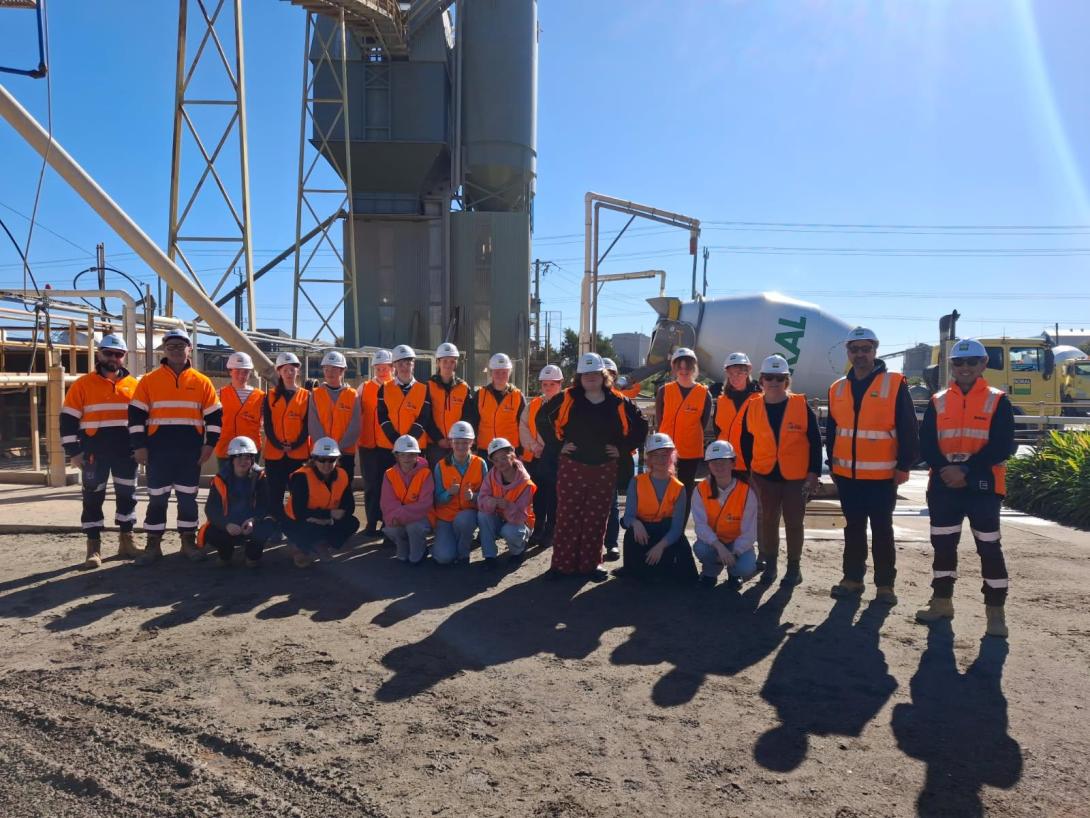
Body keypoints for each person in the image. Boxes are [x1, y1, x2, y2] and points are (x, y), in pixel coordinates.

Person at [915, 339, 1015, 638]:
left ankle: (995, 614)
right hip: (944, 484)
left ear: (983, 364)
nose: (966, 367)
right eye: (960, 362)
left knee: (989, 547)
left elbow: (1003, 445)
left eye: (972, 362)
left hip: (983, 484)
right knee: (943, 546)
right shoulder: (938, 400)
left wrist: (966, 469)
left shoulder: (998, 400)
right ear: (952, 366)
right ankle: (942, 602)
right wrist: (948, 470)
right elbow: (927, 444)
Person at [827, 327, 919, 604]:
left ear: (875, 350)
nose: (860, 354)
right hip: (848, 476)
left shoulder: (893, 383)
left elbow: (908, 427)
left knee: (882, 531)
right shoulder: (838, 387)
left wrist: (904, 465)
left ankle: (885, 586)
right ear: (848, 352)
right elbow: (833, 430)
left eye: (865, 349)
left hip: (882, 475)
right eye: (854, 349)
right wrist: (832, 464)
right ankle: (852, 579)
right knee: (852, 529)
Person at [541, 352, 647, 581]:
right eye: (585, 373)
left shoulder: (618, 400)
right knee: (568, 516)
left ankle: (591, 565)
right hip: (572, 467)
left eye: (595, 373)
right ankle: (561, 565)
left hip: (604, 468)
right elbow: (542, 418)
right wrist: (559, 444)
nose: (590, 377)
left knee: (596, 518)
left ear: (603, 375)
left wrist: (623, 447)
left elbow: (641, 425)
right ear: (579, 376)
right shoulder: (567, 397)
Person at [129, 328, 221, 564]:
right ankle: (153, 545)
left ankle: (188, 542)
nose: (176, 351)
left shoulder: (202, 382)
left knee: (188, 499)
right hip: (158, 453)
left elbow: (214, 417)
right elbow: (136, 416)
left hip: (190, 453)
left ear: (189, 348)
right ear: (164, 350)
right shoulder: (149, 380)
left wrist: (209, 445)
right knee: (157, 499)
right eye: (171, 347)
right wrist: (139, 446)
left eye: (181, 346)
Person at [61, 332, 142, 568]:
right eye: (108, 353)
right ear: (99, 354)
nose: (113, 358)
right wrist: (74, 452)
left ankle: (126, 541)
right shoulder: (83, 385)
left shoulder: (134, 385)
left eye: (118, 354)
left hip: (125, 453)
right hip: (93, 455)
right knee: (92, 498)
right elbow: (67, 420)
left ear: (124, 357)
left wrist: (140, 447)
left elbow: (141, 421)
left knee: (128, 497)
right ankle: (93, 548)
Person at [740, 355, 822, 586]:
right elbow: (746, 440)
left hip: (795, 477)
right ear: (761, 380)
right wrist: (751, 471)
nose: (774, 382)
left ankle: (794, 568)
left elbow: (815, 441)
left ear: (786, 381)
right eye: (769, 378)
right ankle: (772, 566)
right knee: (768, 521)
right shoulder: (753, 405)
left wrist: (814, 473)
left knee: (794, 522)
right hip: (765, 475)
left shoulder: (799, 404)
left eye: (779, 378)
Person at [619, 433, 693, 583]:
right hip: (643, 533)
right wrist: (636, 523)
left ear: (672, 457)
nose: (661, 459)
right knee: (632, 535)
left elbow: (677, 528)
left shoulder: (679, 488)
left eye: (665, 455)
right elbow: (627, 518)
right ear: (649, 459)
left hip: (665, 535)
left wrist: (660, 547)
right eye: (656, 455)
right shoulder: (636, 482)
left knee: (680, 576)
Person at [198, 436, 277, 567]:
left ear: (252, 459)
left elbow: (266, 505)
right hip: (229, 526)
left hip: (250, 525)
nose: (243, 461)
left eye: (247, 457)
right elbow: (211, 509)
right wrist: (226, 524)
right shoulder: (220, 479)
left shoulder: (260, 478)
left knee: (268, 526)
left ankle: (253, 556)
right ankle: (225, 555)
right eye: (239, 456)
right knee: (211, 532)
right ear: (232, 459)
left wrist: (254, 519)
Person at [692, 440, 760, 589]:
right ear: (708, 465)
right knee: (700, 548)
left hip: (737, 543)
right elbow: (700, 525)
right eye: (714, 461)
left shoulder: (746, 491)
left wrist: (735, 553)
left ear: (733, 463)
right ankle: (710, 573)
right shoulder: (701, 489)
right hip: (713, 543)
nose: (719, 465)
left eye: (723, 461)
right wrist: (718, 547)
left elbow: (750, 531)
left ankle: (734, 573)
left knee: (747, 566)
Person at [283, 437, 359, 568]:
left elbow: (349, 506)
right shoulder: (301, 477)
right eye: (321, 459)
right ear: (313, 459)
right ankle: (299, 547)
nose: (326, 464)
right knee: (305, 528)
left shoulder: (342, 475)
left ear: (337, 459)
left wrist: (326, 519)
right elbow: (299, 512)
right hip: (299, 521)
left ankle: (319, 545)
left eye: (331, 459)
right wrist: (328, 514)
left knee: (352, 523)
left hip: (321, 519)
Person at [655, 347, 711, 509]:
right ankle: (665, 527)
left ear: (694, 368)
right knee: (664, 491)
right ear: (674, 368)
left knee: (686, 491)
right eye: (680, 366)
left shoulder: (703, 393)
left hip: (690, 450)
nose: (684, 370)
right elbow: (660, 421)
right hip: (665, 451)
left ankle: (680, 531)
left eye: (688, 366)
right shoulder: (664, 391)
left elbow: (702, 422)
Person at [263, 351, 311, 521]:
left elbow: (308, 425)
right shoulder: (270, 395)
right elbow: (267, 424)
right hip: (274, 454)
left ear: (298, 371)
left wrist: (295, 444)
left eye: (293, 369)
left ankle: (295, 526)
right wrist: (277, 444)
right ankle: (276, 525)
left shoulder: (306, 396)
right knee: (275, 492)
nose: (289, 373)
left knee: (297, 492)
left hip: (298, 454)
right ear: (279, 372)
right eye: (285, 370)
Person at [519, 364, 564, 547]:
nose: (548, 388)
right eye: (545, 384)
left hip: (555, 459)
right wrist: (534, 447)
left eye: (552, 384)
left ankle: (551, 530)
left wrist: (550, 450)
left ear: (560, 384)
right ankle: (538, 527)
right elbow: (523, 427)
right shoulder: (534, 405)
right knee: (538, 495)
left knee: (554, 496)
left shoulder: (565, 405)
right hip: (535, 458)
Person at [478, 437, 536, 571]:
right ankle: (490, 557)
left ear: (513, 455)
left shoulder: (525, 483)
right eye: (495, 460)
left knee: (509, 530)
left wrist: (508, 505)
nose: (500, 463)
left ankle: (518, 551)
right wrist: (490, 502)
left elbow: (521, 516)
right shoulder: (491, 475)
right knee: (483, 515)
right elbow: (481, 500)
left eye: (504, 457)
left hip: (520, 523)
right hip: (499, 517)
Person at [432, 421, 486, 565]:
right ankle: (449, 543)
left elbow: (487, 495)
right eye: (457, 442)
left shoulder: (480, 463)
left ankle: (463, 553)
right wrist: (448, 493)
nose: (461, 446)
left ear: (472, 442)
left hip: (467, 514)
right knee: (443, 558)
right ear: (451, 442)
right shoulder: (441, 466)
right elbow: (437, 499)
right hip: (446, 517)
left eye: (465, 442)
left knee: (465, 520)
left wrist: (474, 497)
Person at [380, 434, 434, 565]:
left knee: (414, 527)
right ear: (396, 456)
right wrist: (396, 517)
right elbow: (387, 503)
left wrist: (400, 515)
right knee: (392, 528)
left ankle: (418, 553)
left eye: (411, 454)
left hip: (421, 518)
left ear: (417, 455)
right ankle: (403, 547)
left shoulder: (426, 473)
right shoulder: (389, 474)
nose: (407, 458)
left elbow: (424, 505)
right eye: (402, 454)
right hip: (399, 516)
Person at [357, 348, 394, 536]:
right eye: (378, 368)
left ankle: (387, 523)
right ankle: (371, 522)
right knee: (371, 484)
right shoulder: (364, 388)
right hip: (368, 445)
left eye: (385, 368)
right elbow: (357, 414)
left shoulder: (395, 388)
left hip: (388, 446)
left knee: (388, 486)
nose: (382, 372)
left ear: (392, 368)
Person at [377, 344, 432, 464]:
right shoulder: (384, 388)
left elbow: (424, 418)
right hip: (389, 446)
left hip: (415, 447)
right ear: (394, 365)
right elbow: (382, 416)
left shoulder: (424, 389)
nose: (404, 367)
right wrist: (396, 440)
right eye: (400, 364)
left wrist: (408, 441)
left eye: (408, 363)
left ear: (413, 365)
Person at [308, 350, 360, 477]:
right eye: (326, 369)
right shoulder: (316, 394)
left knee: (344, 489)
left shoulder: (352, 395)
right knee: (320, 489)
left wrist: (338, 448)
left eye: (334, 369)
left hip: (345, 453)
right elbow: (313, 424)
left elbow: (355, 426)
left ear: (342, 371)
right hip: (321, 454)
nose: (329, 372)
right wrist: (326, 447)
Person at [713, 352, 761, 478]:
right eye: (731, 373)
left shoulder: (759, 399)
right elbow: (717, 430)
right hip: (725, 465)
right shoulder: (722, 400)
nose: (734, 377)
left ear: (748, 372)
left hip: (751, 465)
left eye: (739, 373)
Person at [466, 352, 525, 457]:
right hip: (485, 449)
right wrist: (473, 446)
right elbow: (473, 421)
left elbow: (523, 425)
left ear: (509, 372)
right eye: (497, 372)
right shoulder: (480, 394)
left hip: (509, 451)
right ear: (491, 373)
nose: (500, 375)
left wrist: (521, 450)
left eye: (504, 372)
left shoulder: (518, 396)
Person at [424, 342, 472, 467]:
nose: (448, 365)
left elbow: (467, 417)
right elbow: (426, 417)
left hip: (458, 444)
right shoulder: (428, 386)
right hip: (435, 445)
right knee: (437, 478)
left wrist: (457, 438)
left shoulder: (463, 387)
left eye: (452, 361)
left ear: (456, 363)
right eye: (445, 361)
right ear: (438, 362)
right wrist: (439, 439)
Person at [214, 351, 264, 469]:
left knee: (250, 485)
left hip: (251, 449)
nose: (241, 375)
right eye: (237, 371)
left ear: (250, 373)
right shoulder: (218, 394)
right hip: (225, 449)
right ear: (230, 371)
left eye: (245, 372)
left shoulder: (261, 396)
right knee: (226, 485)